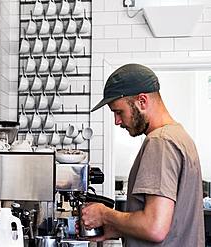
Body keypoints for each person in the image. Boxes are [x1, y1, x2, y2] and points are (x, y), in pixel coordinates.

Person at [80, 64, 205, 246]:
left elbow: (155, 228)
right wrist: (117, 228)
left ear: (142, 101)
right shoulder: (180, 137)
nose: (117, 121)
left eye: (118, 112)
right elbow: (172, 225)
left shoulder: (160, 142)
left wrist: (104, 214)